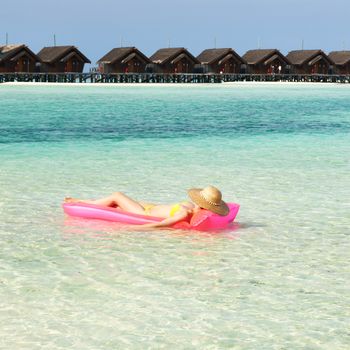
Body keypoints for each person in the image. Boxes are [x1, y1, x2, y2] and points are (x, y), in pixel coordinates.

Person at [65, 185, 229, 228]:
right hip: (148, 207)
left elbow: (158, 225)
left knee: (117, 195)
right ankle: (86, 201)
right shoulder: (188, 206)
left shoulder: (183, 213)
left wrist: (132, 230)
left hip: (144, 213)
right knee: (116, 201)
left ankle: (83, 202)